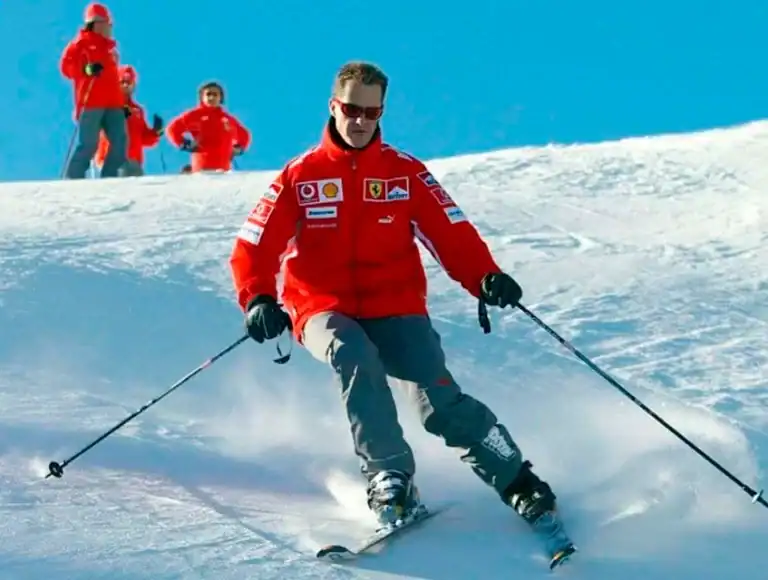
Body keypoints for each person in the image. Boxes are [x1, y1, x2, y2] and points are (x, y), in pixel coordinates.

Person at [228, 61, 563, 541]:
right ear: (333, 107)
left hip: (396, 306)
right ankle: (389, 477)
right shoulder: (300, 176)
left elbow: (450, 232)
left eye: (371, 112)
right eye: (351, 109)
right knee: (353, 353)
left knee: (438, 403)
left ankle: (519, 481)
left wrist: (485, 277)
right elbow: (254, 244)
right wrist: (258, 297)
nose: (360, 121)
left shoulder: (404, 173)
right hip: (321, 305)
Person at [60, 2, 127, 179]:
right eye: (107, 23)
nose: (110, 27)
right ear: (95, 23)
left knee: (120, 141)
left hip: (113, 103)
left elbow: (114, 79)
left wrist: (123, 102)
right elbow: (66, 68)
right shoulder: (80, 44)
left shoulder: (111, 49)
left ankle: (110, 177)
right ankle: (73, 177)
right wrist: (85, 70)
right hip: (91, 102)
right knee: (89, 144)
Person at [93, 65, 163, 177]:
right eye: (122, 82)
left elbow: (143, 138)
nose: (126, 85)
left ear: (133, 85)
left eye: (129, 82)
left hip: (133, 161)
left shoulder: (138, 110)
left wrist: (156, 132)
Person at [165, 81, 250, 173]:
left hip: (224, 170)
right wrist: (185, 144)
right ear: (202, 97)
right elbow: (172, 129)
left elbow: (244, 135)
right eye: (208, 94)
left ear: (221, 98)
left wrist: (239, 149)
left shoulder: (228, 119)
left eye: (215, 94)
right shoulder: (195, 115)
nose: (211, 97)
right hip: (201, 170)